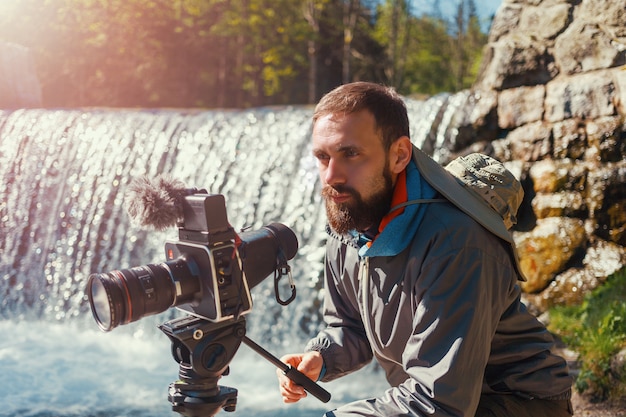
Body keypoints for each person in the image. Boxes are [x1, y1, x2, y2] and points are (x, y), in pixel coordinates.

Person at [276, 82, 573, 416]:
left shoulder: (457, 243)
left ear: (400, 155)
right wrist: (322, 357)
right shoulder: (349, 226)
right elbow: (351, 326)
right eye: (322, 157)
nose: (332, 175)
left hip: (519, 402)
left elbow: (439, 402)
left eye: (351, 154)